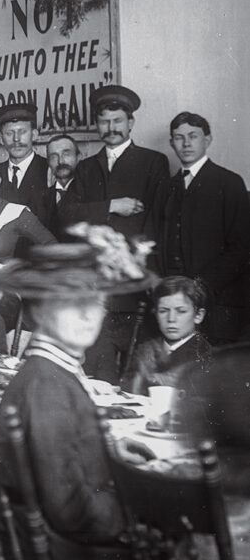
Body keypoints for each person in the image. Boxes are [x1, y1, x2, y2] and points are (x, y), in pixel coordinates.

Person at [0, 240, 153, 560]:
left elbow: (62, 458)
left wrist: (107, 453)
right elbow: (71, 508)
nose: (88, 313)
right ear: (40, 311)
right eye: (72, 302)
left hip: (61, 557)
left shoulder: (50, 374)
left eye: (96, 301)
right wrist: (137, 520)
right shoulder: (48, 386)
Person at [59, 85, 170, 382]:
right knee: (97, 366)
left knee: (137, 367)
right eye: (105, 122)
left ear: (130, 123)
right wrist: (113, 205)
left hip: (134, 283)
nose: (111, 128)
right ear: (97, 125)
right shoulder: (86, 168)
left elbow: (158, 221)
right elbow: (67, 215)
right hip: (96, 285)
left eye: (118, 121)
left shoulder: (152, 163)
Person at [159, 112, 250, 343]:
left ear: (207, 140)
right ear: (171, 143)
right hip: (177, 305)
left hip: (219, 302)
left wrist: (200, 286)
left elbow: (241, 247)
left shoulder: (229, 182)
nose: (186, 143)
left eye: (193, 136)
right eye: (179, 137)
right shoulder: (167, 187)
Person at [124, 276, 212, 395]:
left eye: (181, 311)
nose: (171, 319)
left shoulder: (205, 356)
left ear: (198, 316)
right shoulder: (145, 350)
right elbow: (126, 390)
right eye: (163, 311)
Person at [0, 103, 49, 222]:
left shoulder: (49, 169)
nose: (16, 139)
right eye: (9, 133)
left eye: (22, 132)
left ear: (34, 135)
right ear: (0, 139)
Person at [44, 133, 80, 236]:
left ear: (78, 157)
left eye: (66, 154)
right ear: (48, 162)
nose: (60, 161)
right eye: (54, 156)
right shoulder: (39, 199)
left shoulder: (91, 194)